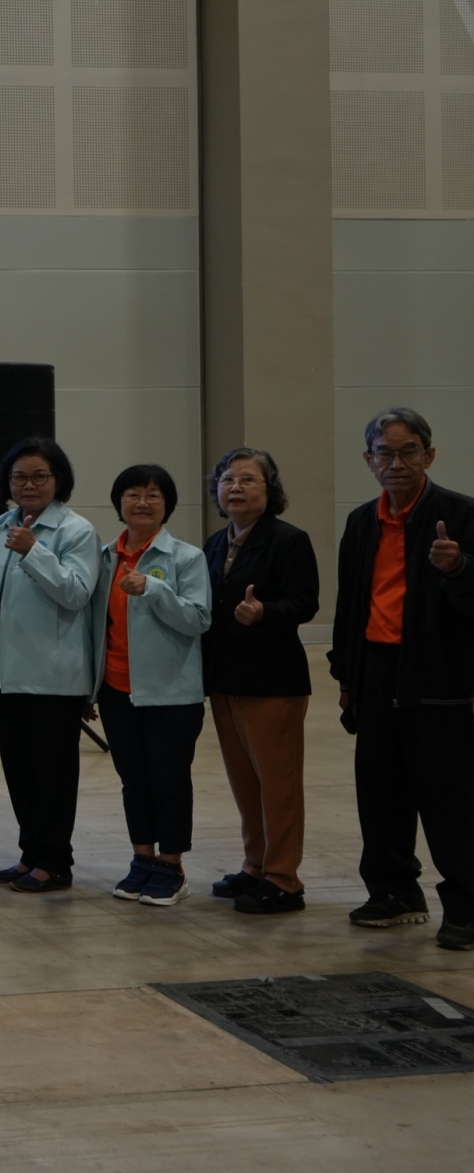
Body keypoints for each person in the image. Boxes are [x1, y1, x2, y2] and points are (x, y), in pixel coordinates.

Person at [329, 407, 474, 950]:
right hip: (375, 669)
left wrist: (460, 569)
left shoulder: (460, 515)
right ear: (368, 461)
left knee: (447, 796)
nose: (396, 463)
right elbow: (350, 604)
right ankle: (393, 892)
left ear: (428, 455)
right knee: (380, 788)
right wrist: (346, 676)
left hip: (438, 673)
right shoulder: (360, 522)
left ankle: (466, 905)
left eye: (408, 451)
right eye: (384, 453)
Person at [0, 437, 100, 895]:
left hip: (54, 676)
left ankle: (56, 863)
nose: (28, 485)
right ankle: (32, 854)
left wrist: (33, 550)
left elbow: (76, 593)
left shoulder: (76, 531)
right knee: (20, 771)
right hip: (7, 675)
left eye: (39, 476)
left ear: (58, 480)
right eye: (19, 477)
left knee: (53, 776)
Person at [87, 465, 212, 908]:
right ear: (119, 503)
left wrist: (154, 590)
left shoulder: (186, 557)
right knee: (133, 780)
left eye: (153, 495)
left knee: (168, 780)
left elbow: (198, 619)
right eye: (133, 494)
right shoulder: (105, 557)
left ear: (167, 506)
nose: (142, 502)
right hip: (116, 689)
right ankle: (142, 859)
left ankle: (171, 866)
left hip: (171, 692)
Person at [202, 448, 318, 916]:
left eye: (248, 479)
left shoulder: (288, 540)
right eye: (227, 479)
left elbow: (305, 602)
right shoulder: (215, 543)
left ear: (270, 490)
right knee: (245, 782)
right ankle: (255, 865)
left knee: (278, 785)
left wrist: (264, 611)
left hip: (273, 681)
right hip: (225, 679)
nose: (236, 487)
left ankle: (284, 878)